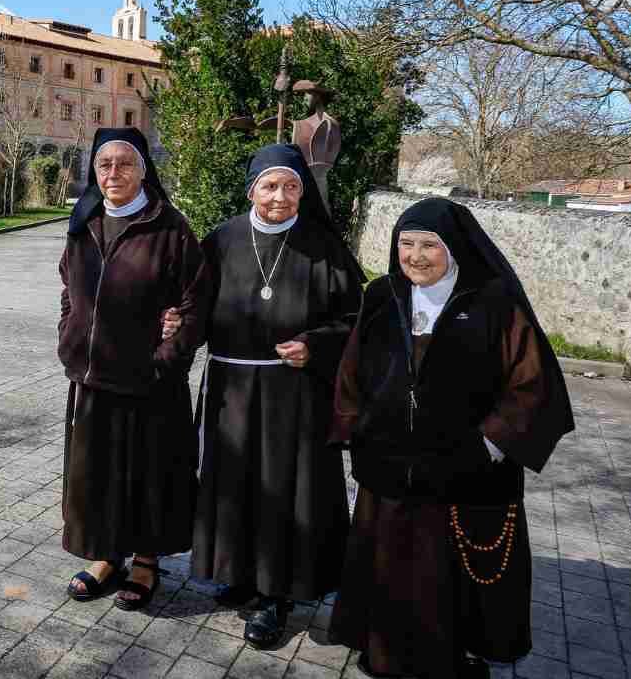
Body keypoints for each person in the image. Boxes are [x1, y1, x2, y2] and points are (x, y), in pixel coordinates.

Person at [327, 198, 575, 678]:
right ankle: (385, 649)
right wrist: (353, 425)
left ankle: (455, 656)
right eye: (406, 244)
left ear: (455, 248)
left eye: (428, 245)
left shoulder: (494, 303)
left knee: (450, 575)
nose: (415, 256)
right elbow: (352, 369)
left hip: (466, 471)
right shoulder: (382, 296)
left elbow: (532, 384)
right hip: (390, 466)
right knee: (391, 564)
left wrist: (488, 444)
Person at [184, 144, 364, 649]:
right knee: (234, 483)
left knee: (284, 488)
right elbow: (193, 304)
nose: (279, 197)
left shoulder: (324, 247)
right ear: (251, 190)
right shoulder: (220, 241)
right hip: (231, 388)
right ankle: (238, 573)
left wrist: (315, 345)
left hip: (294, 394)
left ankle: (277, 594)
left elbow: (355, 321)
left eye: (290, 187)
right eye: (269, 186)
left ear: (303, 193)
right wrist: (177, 323)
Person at [57, 127, 210, 611]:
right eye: (105, 164)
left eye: (126, 163)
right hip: (92, 378)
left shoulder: (170, 227)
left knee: (148, 475)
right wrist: (69, 333)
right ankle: (105, 556)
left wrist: (168, 356)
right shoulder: (84, 223)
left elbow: (197, 304)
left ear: (145, 169)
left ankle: (145, 561)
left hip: (149, 383)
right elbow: (68, 287)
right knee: (96, 474)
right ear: (93, 172)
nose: (114, 173)